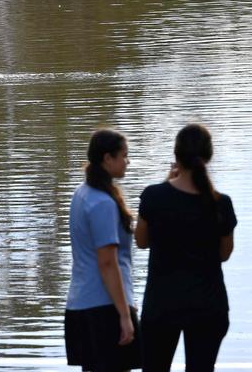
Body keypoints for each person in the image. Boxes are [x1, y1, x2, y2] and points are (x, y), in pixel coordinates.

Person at [135, 124, 236, 371]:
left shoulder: (153, 196)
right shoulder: (221, 204)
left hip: (162, 306)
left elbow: (141, 241)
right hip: (208, 305)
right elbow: (224, 254)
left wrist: (166, 183)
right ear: (208, 156)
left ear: (176, 156)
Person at [65, 129, 142, 372]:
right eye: (124, 156)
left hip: (81, 305)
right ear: (108, 159)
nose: (127, 162)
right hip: (105, 310)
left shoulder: (82, 193)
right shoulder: (103, 203)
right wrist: (125, 315)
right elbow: (108, 263)